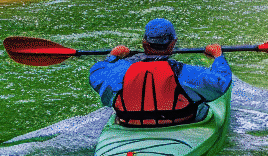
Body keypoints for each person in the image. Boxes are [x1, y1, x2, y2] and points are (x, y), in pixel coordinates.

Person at [89, 18, 232, 127]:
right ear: (172, 44)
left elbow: (96, 74)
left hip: (130, 125)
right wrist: (218, 57)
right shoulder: (184, 72)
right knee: (200, 101)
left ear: (144, 43)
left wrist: (112, 56)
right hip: (180, 123)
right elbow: (221, 82)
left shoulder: (121, 71)